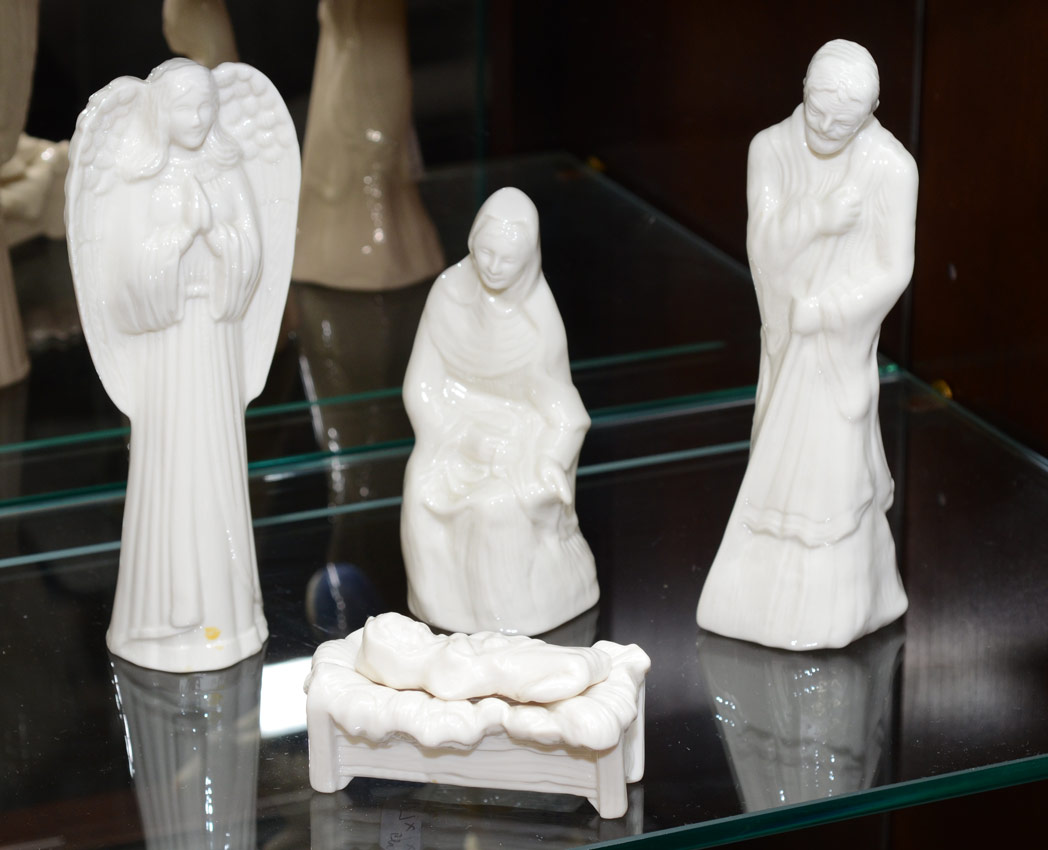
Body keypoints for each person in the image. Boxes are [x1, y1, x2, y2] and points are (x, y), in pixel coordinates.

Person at [68, 58, 299, 671]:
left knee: (215, 462)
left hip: (215, 342)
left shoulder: (227, 170)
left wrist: (220, 238)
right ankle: (161, 619)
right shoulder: (137, 180)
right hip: (166, 351)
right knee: (170, 464)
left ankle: (228, 614)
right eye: (183, 108)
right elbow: (122, 281)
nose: (197, 119)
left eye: (205, 107)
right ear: (159, 114)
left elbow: (252, 258)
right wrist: (175, 239)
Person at [697, 40, 917, 649]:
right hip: (786, 339)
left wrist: (832, 310)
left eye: (841, 122)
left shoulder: (891, 167)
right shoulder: (770, 148)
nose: (822, 127)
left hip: (838, 347)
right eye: (816, 110)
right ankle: (757, 595)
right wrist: (817, 218)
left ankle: (836, 602)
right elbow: (762, 246)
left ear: (870, 113)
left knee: (834, 463)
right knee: (776, 452)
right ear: (802, 88)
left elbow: (894, 268)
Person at [401, 187, 599, 636]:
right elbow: (422, 385)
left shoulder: (538, 321)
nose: (492, 266)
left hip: (519, 440)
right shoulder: (448, 292)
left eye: (507, 259)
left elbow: (566, 415)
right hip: (455, 431)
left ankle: (508, 617)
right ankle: (438, 605)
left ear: (528, 260)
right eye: (486, 252)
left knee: (494, 508)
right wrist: (460, 434)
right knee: (421, 485)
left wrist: (547, 460)